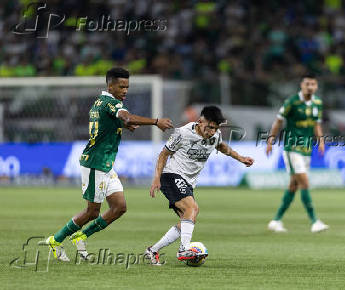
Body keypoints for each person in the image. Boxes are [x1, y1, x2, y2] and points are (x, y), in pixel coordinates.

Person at [45, 67, 173, 261]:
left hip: (105, 164)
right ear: (110, 85)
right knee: (92, 212)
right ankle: (55, 240)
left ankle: (80, 236)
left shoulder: (99, 102)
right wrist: (156, 121)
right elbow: (126, 116)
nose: (125, 90)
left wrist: (122, 125)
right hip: (95, 163)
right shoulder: (112, 103)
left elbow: (109, 123)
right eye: (121, 86)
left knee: (119, 207)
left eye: (127, 87)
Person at [146, 106, 254, 265]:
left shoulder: (214, 135)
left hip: (188, 183)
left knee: (187, 220)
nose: (212, 131)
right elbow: (164, 154)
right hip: (171, 175)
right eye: (209, 127)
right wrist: (156, 178)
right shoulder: (183, 133)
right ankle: (183, 250)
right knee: (193, 208)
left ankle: (152, 250)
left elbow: (221, 146)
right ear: (199, 121)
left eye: (215, 128)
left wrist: (241, 158)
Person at [266, 74, 329, 233]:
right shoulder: (292, 102)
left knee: (293, 186)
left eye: (313, 84)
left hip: (307, 149)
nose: (310, 86)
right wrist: (270, 140)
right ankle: (315, 221)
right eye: (307, 83)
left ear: (316, 87)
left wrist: (321, 141)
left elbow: (316, 125)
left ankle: (276, 220)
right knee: (304, 183)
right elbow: (278, 121)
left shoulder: (317, 103)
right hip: (292, 148)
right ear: (301, 85)